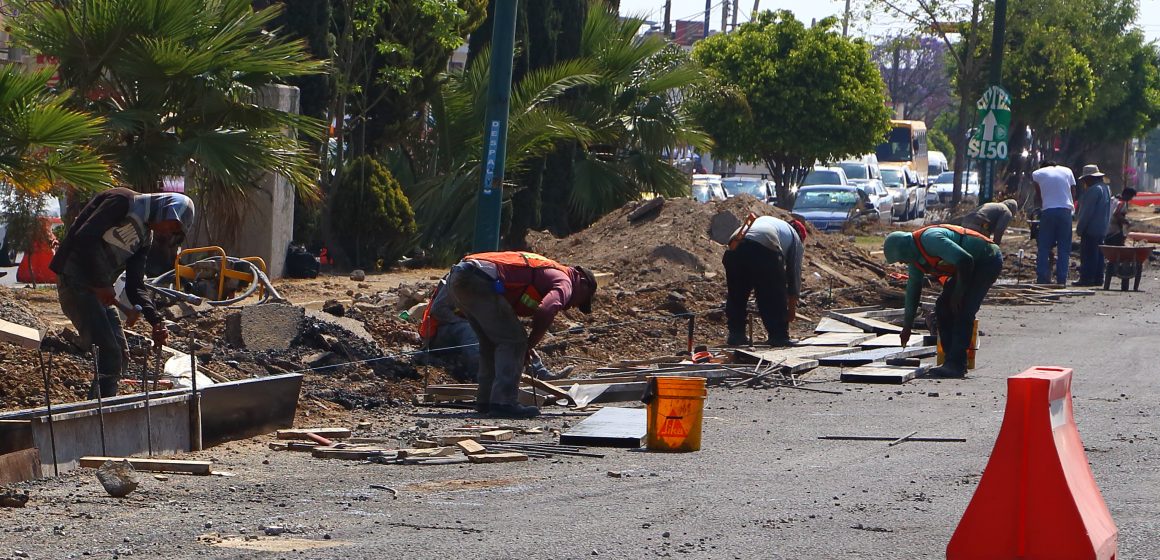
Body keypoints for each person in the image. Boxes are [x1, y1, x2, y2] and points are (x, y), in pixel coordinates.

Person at [49, 188, 194, 398]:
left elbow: (135, 286)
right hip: (75, 280)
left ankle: (103, 407)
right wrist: (102, 283)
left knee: (120, 353)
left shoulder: (145, 238)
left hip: (98, 288)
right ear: (165, 210)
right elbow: (85, 237)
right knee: (109, 352)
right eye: (171, 225)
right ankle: (97, 416)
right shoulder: (123, 202)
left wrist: (155, 320)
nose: (167, 232)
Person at [445, 251, 596, 419]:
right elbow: (546, 310)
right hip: (479, 279)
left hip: (461, 277)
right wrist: (528, 345)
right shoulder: (566, 281)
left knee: (492, 343)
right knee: (514, 341)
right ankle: (504, 403)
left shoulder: (548, 270)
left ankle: (486, 400)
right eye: (581, 301)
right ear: (582, 282)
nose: (574, 306)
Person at [883, 225, 1003, 378]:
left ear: (905, 250)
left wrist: (958, 293)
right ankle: (950, 361)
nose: (903, 263)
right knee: (943, 307)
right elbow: (913, 291)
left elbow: (965, 260)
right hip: (968, 267)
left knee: (963, 309)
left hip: (987, 259)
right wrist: (907, 326)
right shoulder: (916, 261)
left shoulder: (931, 240)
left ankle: (956, 365)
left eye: (901, 259)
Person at [418, 275, 572, 382]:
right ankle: (480, 376)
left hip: (464, 328)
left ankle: (539, 371)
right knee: (468, 328)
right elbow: (437, 310)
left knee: (511, 331)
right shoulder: (454, 281)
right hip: (440, 335)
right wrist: (473, 321)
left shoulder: (486, 282)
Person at [722, 215, 807, 347]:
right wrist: (791, 310)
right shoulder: (795, 238)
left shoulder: (771, 223)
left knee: (737, 293)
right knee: (772, 294)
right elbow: (793, 275)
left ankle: (736, 335)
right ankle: (778, 336)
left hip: (734, 247)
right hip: (764, 248)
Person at [1031, 161, 1076, 284]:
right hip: (1065, 211)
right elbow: (1072, 192)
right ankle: (1061, 279)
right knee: (1064, 248)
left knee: (1044, 247)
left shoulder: (1037, 173)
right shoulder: (1068, 170)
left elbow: (1038, 195)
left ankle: (1041, 278)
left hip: (1048, 211)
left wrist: (1039, 210)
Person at [1074, 164, 1112, 286]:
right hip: (1102, 228)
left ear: (1090, 178)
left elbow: (1087, 213)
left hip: (1091, 229)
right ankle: (1098, 278)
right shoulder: (1106, 188)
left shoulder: (1094, 190)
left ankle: (1086, 279)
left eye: (1086, 179)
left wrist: (1080, 228)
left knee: (1088, 255)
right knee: (1099, 255)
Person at [954, 199, 1019, 244]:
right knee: (982, 246)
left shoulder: (994, 205)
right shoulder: (1007, 211)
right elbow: (999, 229)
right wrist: (995, 246)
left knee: (967, 245)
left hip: (966, 220)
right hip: (980, 222)